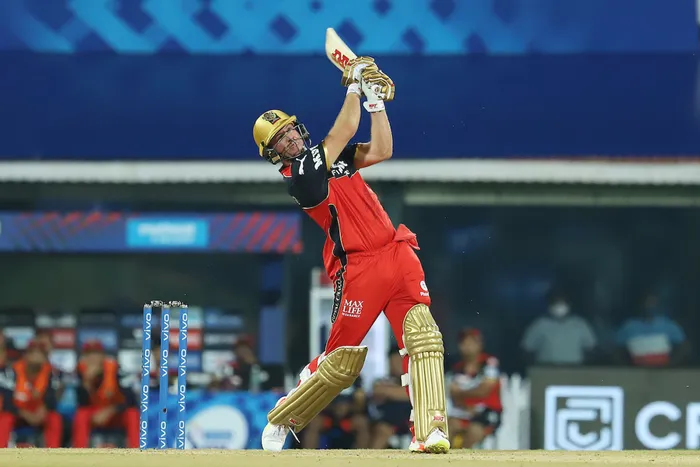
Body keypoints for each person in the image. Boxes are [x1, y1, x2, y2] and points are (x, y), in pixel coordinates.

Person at [253, 57, 449, 454]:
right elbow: (343, 129)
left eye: (290, 131)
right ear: (274, 154)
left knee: (425, 338)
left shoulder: (333, 157)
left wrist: (376, 103)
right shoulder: (301, 177)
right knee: (341, 364)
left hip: (397, 252)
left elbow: (382, 149)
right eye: (281, 140)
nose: (290, 140)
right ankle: (284, 417)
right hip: (359, 267)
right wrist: (355, 86)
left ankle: (430, 432)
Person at [72, 340, 139, 448]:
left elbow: (130, 400)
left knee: (132, 414)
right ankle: (80, 452)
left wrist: (110, 410)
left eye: (96, 354)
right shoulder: (80, 372)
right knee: (81, 415)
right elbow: (82, 403)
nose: (92, 358)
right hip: (95, 414)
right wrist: (87, 382)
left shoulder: (115, 369)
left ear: (103, 356)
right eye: (89, 354)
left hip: (115, 413)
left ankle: (136, 451)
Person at [0, 340, 63, 448]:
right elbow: (7, 400)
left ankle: (53, 453)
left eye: (40, 353)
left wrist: (44, 409)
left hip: (38, 413)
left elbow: (52, 399)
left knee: (54, 418)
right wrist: (24, 413)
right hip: (18, 412)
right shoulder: (11, 372)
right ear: (25, 355)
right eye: (32, 352)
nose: (36, 356)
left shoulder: (51, 374)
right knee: (5, 418)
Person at [448, 329, 502, 449]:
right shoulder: (457, 367)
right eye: (464, 343)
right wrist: (465, 401)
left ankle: (465, 458)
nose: (467, 347)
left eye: (471, 343)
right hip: (463, 411)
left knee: (473, 431)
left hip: (486, 412)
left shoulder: (489, 363)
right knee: (448, 427)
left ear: (479, 344)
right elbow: (453, 394)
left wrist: (461, 393)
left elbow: (484, 390)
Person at [368, 349, 413, 449]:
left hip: (410, 419)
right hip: (387, 420)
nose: (396, 365)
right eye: (393, 362)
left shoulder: (413, 380)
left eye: (399, 361)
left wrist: (390, 392)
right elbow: (377, 391)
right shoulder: (382, 380)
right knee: (382, 430)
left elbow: (414, 394)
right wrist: (404, 393)